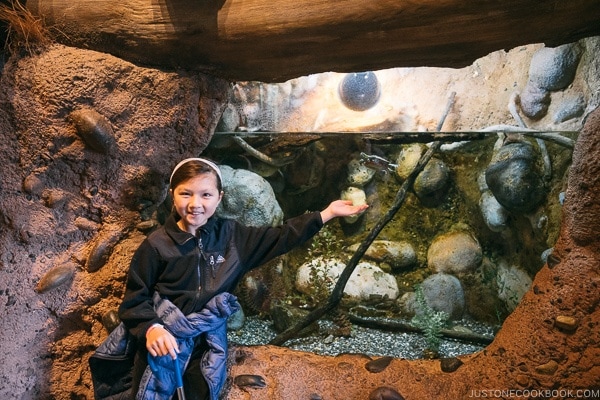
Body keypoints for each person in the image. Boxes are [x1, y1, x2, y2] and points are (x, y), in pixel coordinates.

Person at [115, 157, 368, 400]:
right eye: (186, 193)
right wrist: (152, 329)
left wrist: (326, 214)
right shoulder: (156, 246)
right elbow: (135, 300)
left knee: (200, 390)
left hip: (206, 342)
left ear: (219, 197)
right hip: (166, 340)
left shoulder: (232, 237)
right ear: (172, 195)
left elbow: (281, 236)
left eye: (206, 194)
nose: (195, 203)